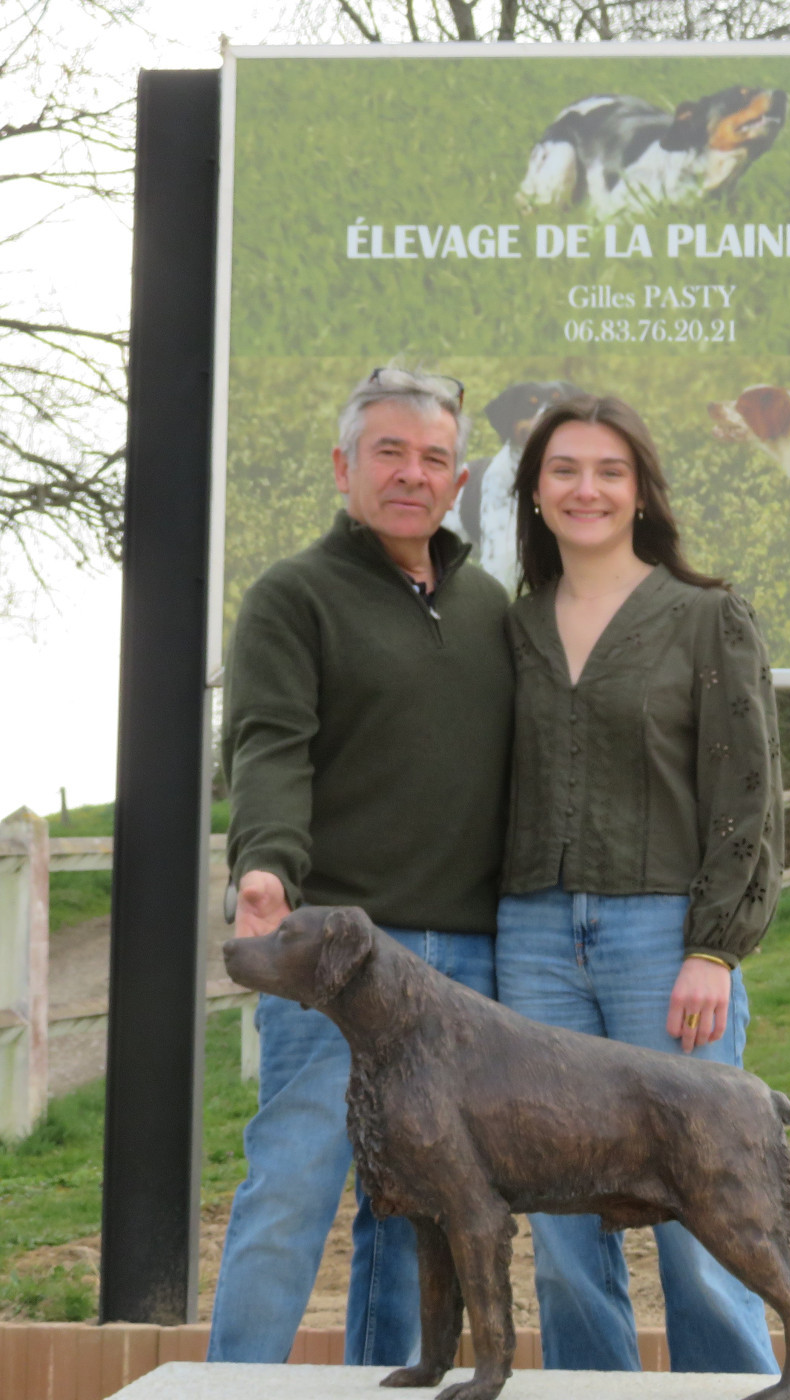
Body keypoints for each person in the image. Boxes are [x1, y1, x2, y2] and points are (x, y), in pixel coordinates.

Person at [207, 366, 513, 1366]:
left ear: (458, 479)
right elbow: (268, 745)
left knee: (415, 1205)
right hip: (338, 960)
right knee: (292, 1186)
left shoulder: (488, 608)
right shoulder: (292, 596)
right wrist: (265, 866)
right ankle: (227, 1389)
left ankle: (393, 1383)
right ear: (344, 465)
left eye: (433, 457)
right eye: (389, 451)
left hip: (465, 970)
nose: (411, 473)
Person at [494, 393, 784, 1375]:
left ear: (639, 490)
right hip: (530, 942)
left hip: (664, 941)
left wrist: (714, 946)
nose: (586, 488)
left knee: (701, 1210)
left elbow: (744, 793)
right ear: (532, 493)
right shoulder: (511, 628)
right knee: (564, 1226)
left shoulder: (705, 618)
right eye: (564, 469)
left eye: (608, 470)